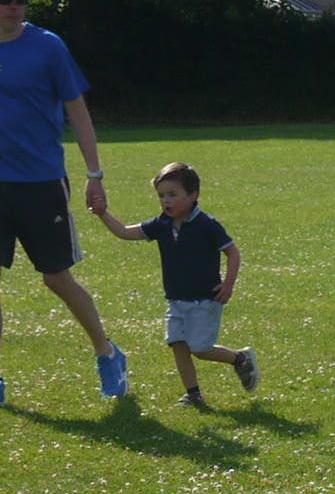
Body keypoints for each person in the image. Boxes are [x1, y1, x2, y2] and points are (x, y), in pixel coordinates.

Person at [0, 0, 128, 404]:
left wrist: (94, 175)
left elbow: (77, 112)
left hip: (39, 181)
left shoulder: (47, 47)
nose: (14, 6)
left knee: (56, 278)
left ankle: (107, 353)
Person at [90, 161, 255, 408]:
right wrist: (102, 213)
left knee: (200, 348)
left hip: (205, 299)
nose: (166, 201)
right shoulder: (161, 225)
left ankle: (239, 358)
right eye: (161, 196)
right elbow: (124, 232)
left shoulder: (207, 225)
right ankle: (193, 394)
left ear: (193, 195)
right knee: (177, 344)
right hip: (176, 300)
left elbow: (232, 253)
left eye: (172, 195)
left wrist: (228, 284)